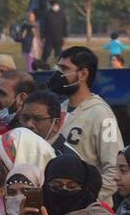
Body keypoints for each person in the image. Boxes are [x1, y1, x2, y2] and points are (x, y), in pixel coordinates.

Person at [52, 48, 123, 202]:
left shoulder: (101, 114)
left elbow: (114, 169)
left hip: (91, 211)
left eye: (64, 69)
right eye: (58, 67)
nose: (58, 74)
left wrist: (86, 199)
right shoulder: (59, 110)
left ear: (83, 74)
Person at [17, 91, 79, 158]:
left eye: (37, 119)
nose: (29, 124)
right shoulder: (15, 145)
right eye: (25, 118)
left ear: (56, 123)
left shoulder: (66, 159)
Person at [42, 0, 68, 68]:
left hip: (59, 37)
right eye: (54, 5)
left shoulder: (62, 13)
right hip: (49, 37)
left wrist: (65, 36)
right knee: (46, 52)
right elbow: (44, 26)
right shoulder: (47, 14)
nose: (56, 6)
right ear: (52, 6)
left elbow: (64, 25)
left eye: (57, 4)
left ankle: (58, 66)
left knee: (58, 54)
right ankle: (43, 64)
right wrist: (43, 36)